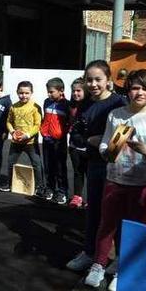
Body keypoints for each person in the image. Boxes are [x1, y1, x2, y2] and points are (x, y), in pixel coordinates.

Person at [84, 69, 146, 291]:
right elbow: (104, 145)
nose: (139, 92)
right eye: (135, 87)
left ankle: (124, 268)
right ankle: (99, 264)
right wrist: (108, 151)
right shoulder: (117, 114)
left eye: (145, 88)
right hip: (114, 178)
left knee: (132, 228)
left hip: (141, 183)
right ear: (128, 90)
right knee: (107, 224)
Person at [66, 61, 127, 272]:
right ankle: (90, 252)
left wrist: (104, 142)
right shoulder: (84, 104)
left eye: (98, 79)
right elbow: (76, 133)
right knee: (94, 212)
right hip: (94, 164)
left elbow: (122, 137)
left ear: (108, 80)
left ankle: (120, 260)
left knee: (116, 215)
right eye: (89, 80)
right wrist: (89, 141)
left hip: (116, 168)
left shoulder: (119, 103)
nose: (93, 84)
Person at [0, 81, 42, 194]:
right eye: (21, 93)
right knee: (10, 163)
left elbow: (37, 125)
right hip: (16, 142)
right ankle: (9, 183)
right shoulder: (14, 107)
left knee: (36, 164)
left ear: (31, 93)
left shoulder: (35, 107)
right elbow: (9, 122)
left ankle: (39, 187)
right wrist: (12, 132)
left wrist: (27, 135)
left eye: (27, 93)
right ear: (17, 92)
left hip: (31, 142)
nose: (24, 95)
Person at [39, 77, 70, 205]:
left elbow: (69, 124)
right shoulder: (46, 102)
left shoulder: (67, 105)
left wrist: (61, 135)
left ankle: (62, 192)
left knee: (60, 167)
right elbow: (45, 119)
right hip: (46, 140)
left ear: (61, 90)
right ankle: (50, 188)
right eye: (48, 91)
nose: (49, 94)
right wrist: (44, 132)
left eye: (51, 92)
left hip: (59, 142)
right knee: (48, 166)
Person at [68, 77, 88, 208]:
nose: (76, 93)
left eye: (79, 91)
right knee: (77, 172)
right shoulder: (70, 105)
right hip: (74, 145)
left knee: (90, 174)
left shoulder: (91, 106)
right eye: (74, 91)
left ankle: (93, 198)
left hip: (89, 147)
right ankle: (77, 197)